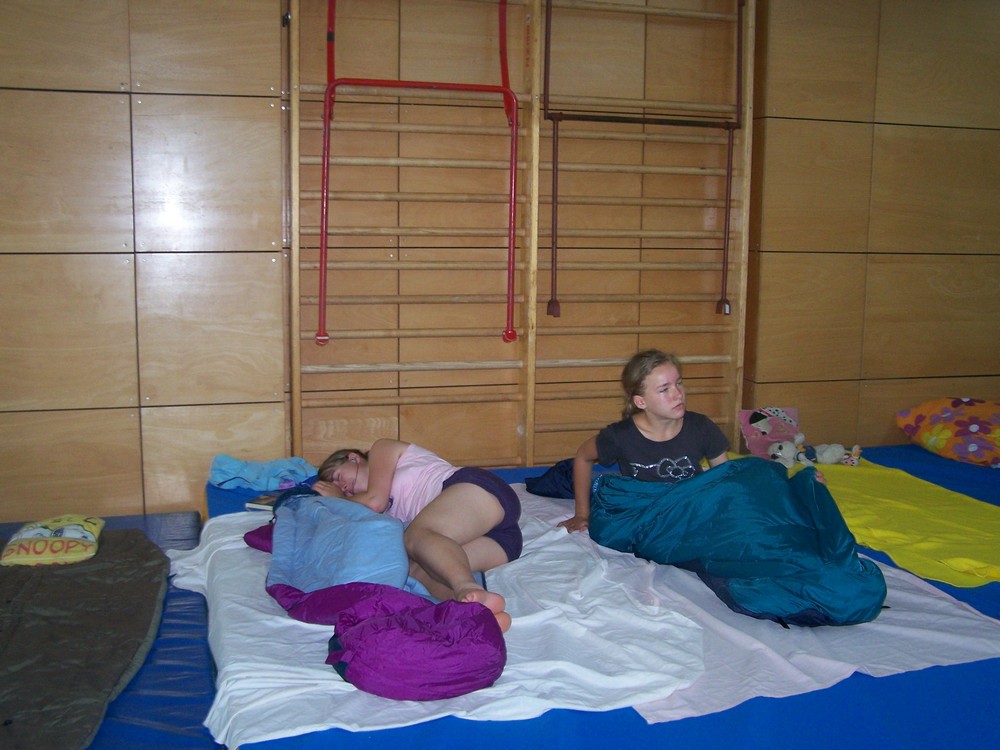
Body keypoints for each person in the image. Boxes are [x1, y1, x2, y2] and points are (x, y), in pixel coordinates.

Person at [312, 439, 522, 632]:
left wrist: (336, 497)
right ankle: (477, 611)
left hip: (478, 491)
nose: (343, 488)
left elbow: (375, 501)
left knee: (416, 536)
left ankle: (466, 586)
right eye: (341, 490)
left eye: (338, 477)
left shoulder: (381, 449)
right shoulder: (367, 511)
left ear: (353, 458)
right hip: (502, 541)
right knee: (418, 571)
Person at [559, 349, 730, 533]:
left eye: (679, 383)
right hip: (644, 514)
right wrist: (581, 514)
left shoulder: (701, 427)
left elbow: (727, 478)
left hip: (686, 509)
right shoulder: (620, 436)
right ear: (641, 402)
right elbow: (583, 457)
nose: (678, 394)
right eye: (664, 389)